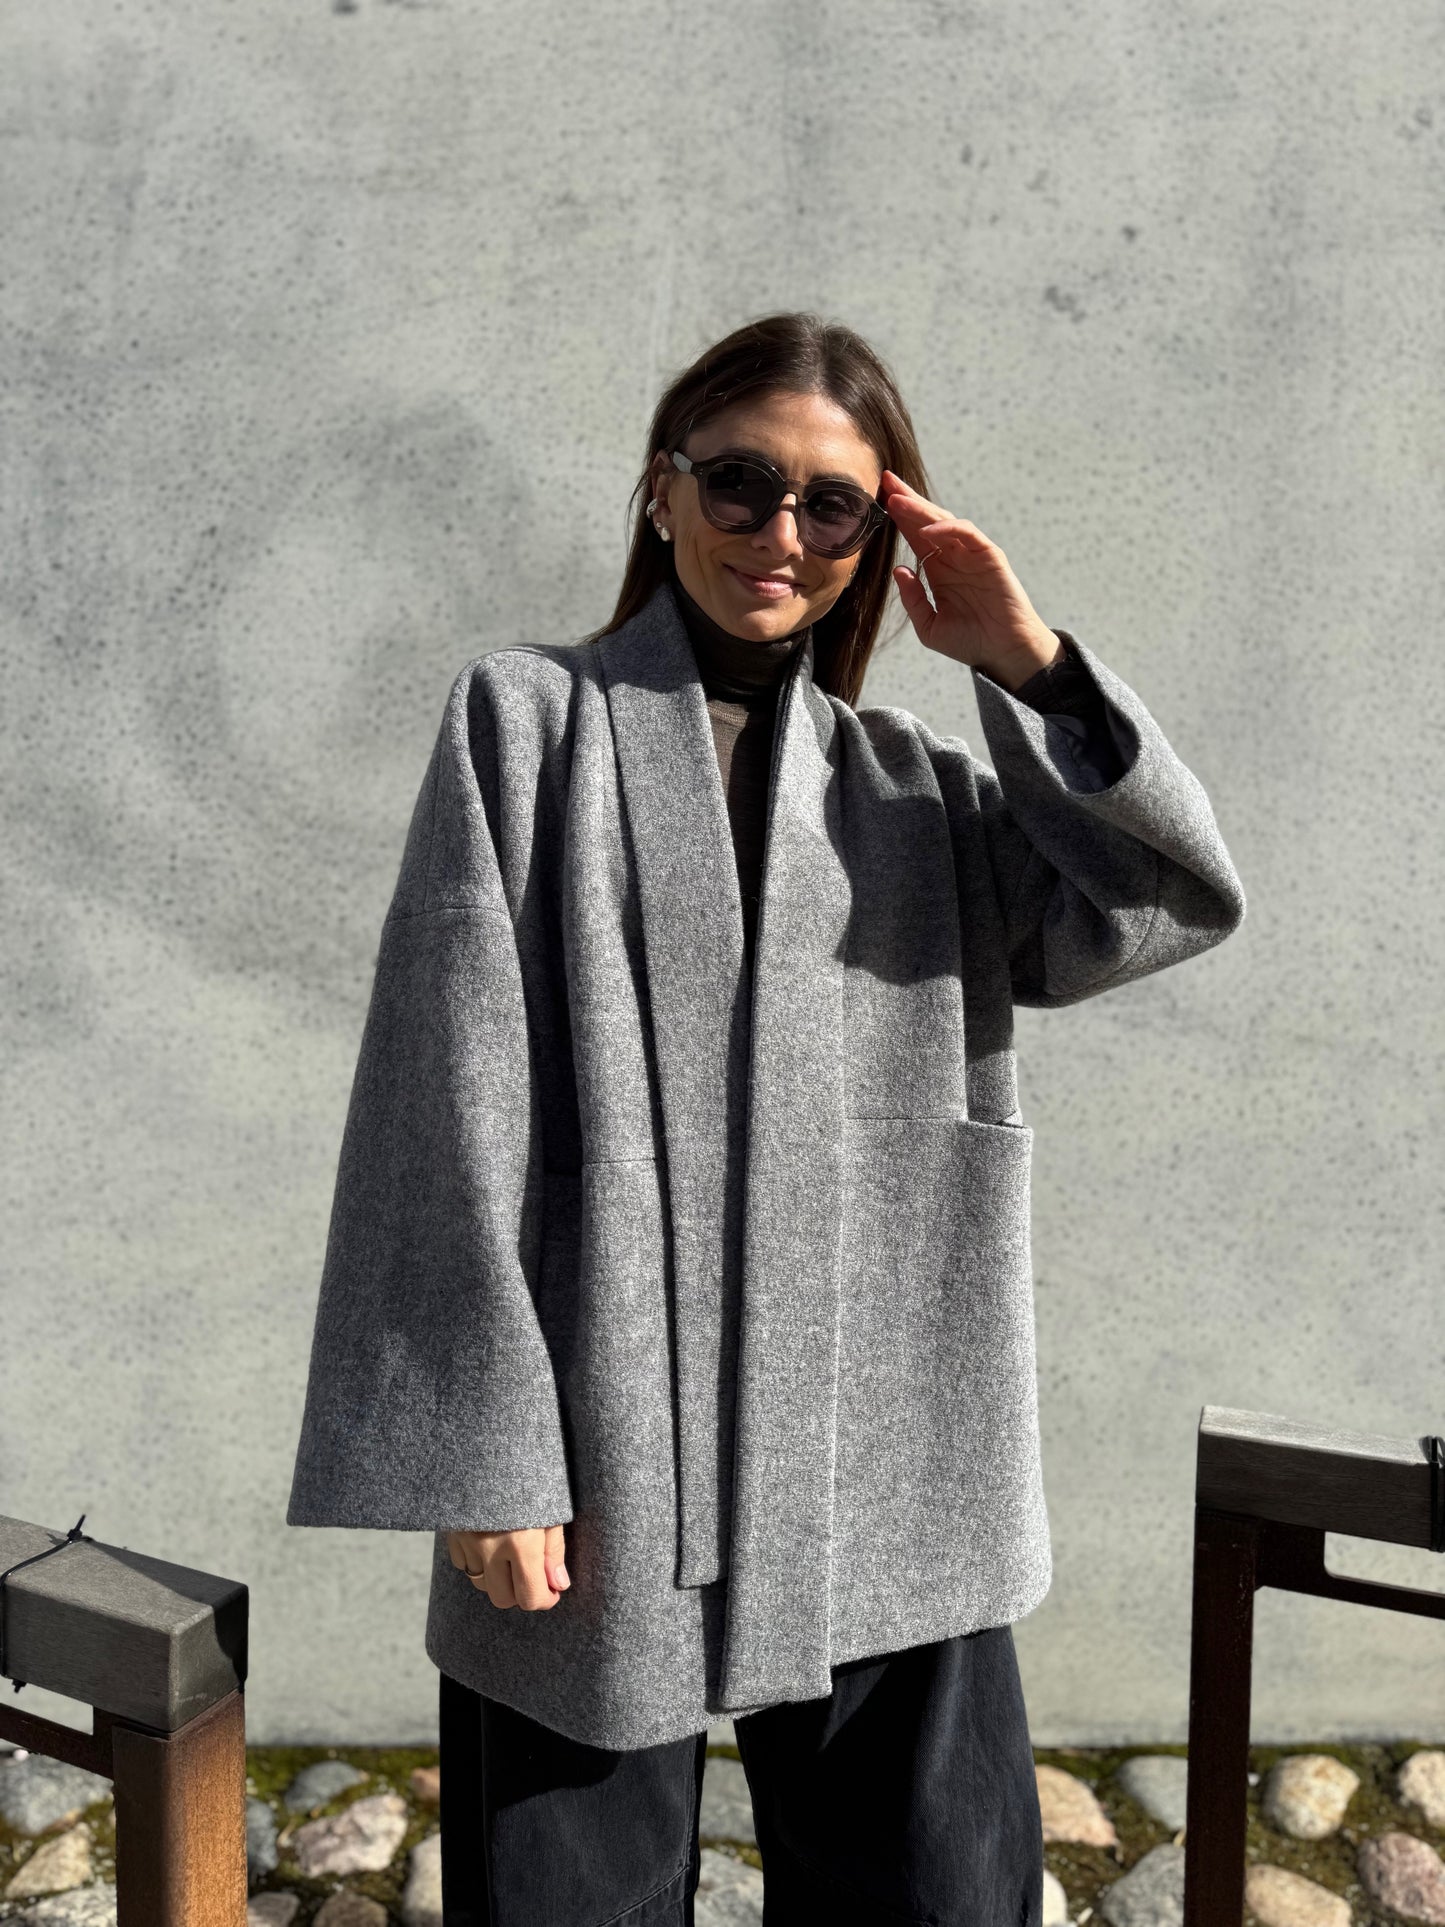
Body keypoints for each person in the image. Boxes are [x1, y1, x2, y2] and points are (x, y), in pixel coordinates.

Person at [287, 311, 1246, 1925]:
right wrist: (486, 1451)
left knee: (931, 1902)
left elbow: (1155, 904)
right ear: (662, 489)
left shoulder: (914, 785)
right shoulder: (525, 725)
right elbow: (441, 1096)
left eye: (833, 505)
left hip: (895, 1462)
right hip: (599, 1454)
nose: (779, 532)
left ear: (879, 537)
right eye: (739, 483)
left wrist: (1024, 662)